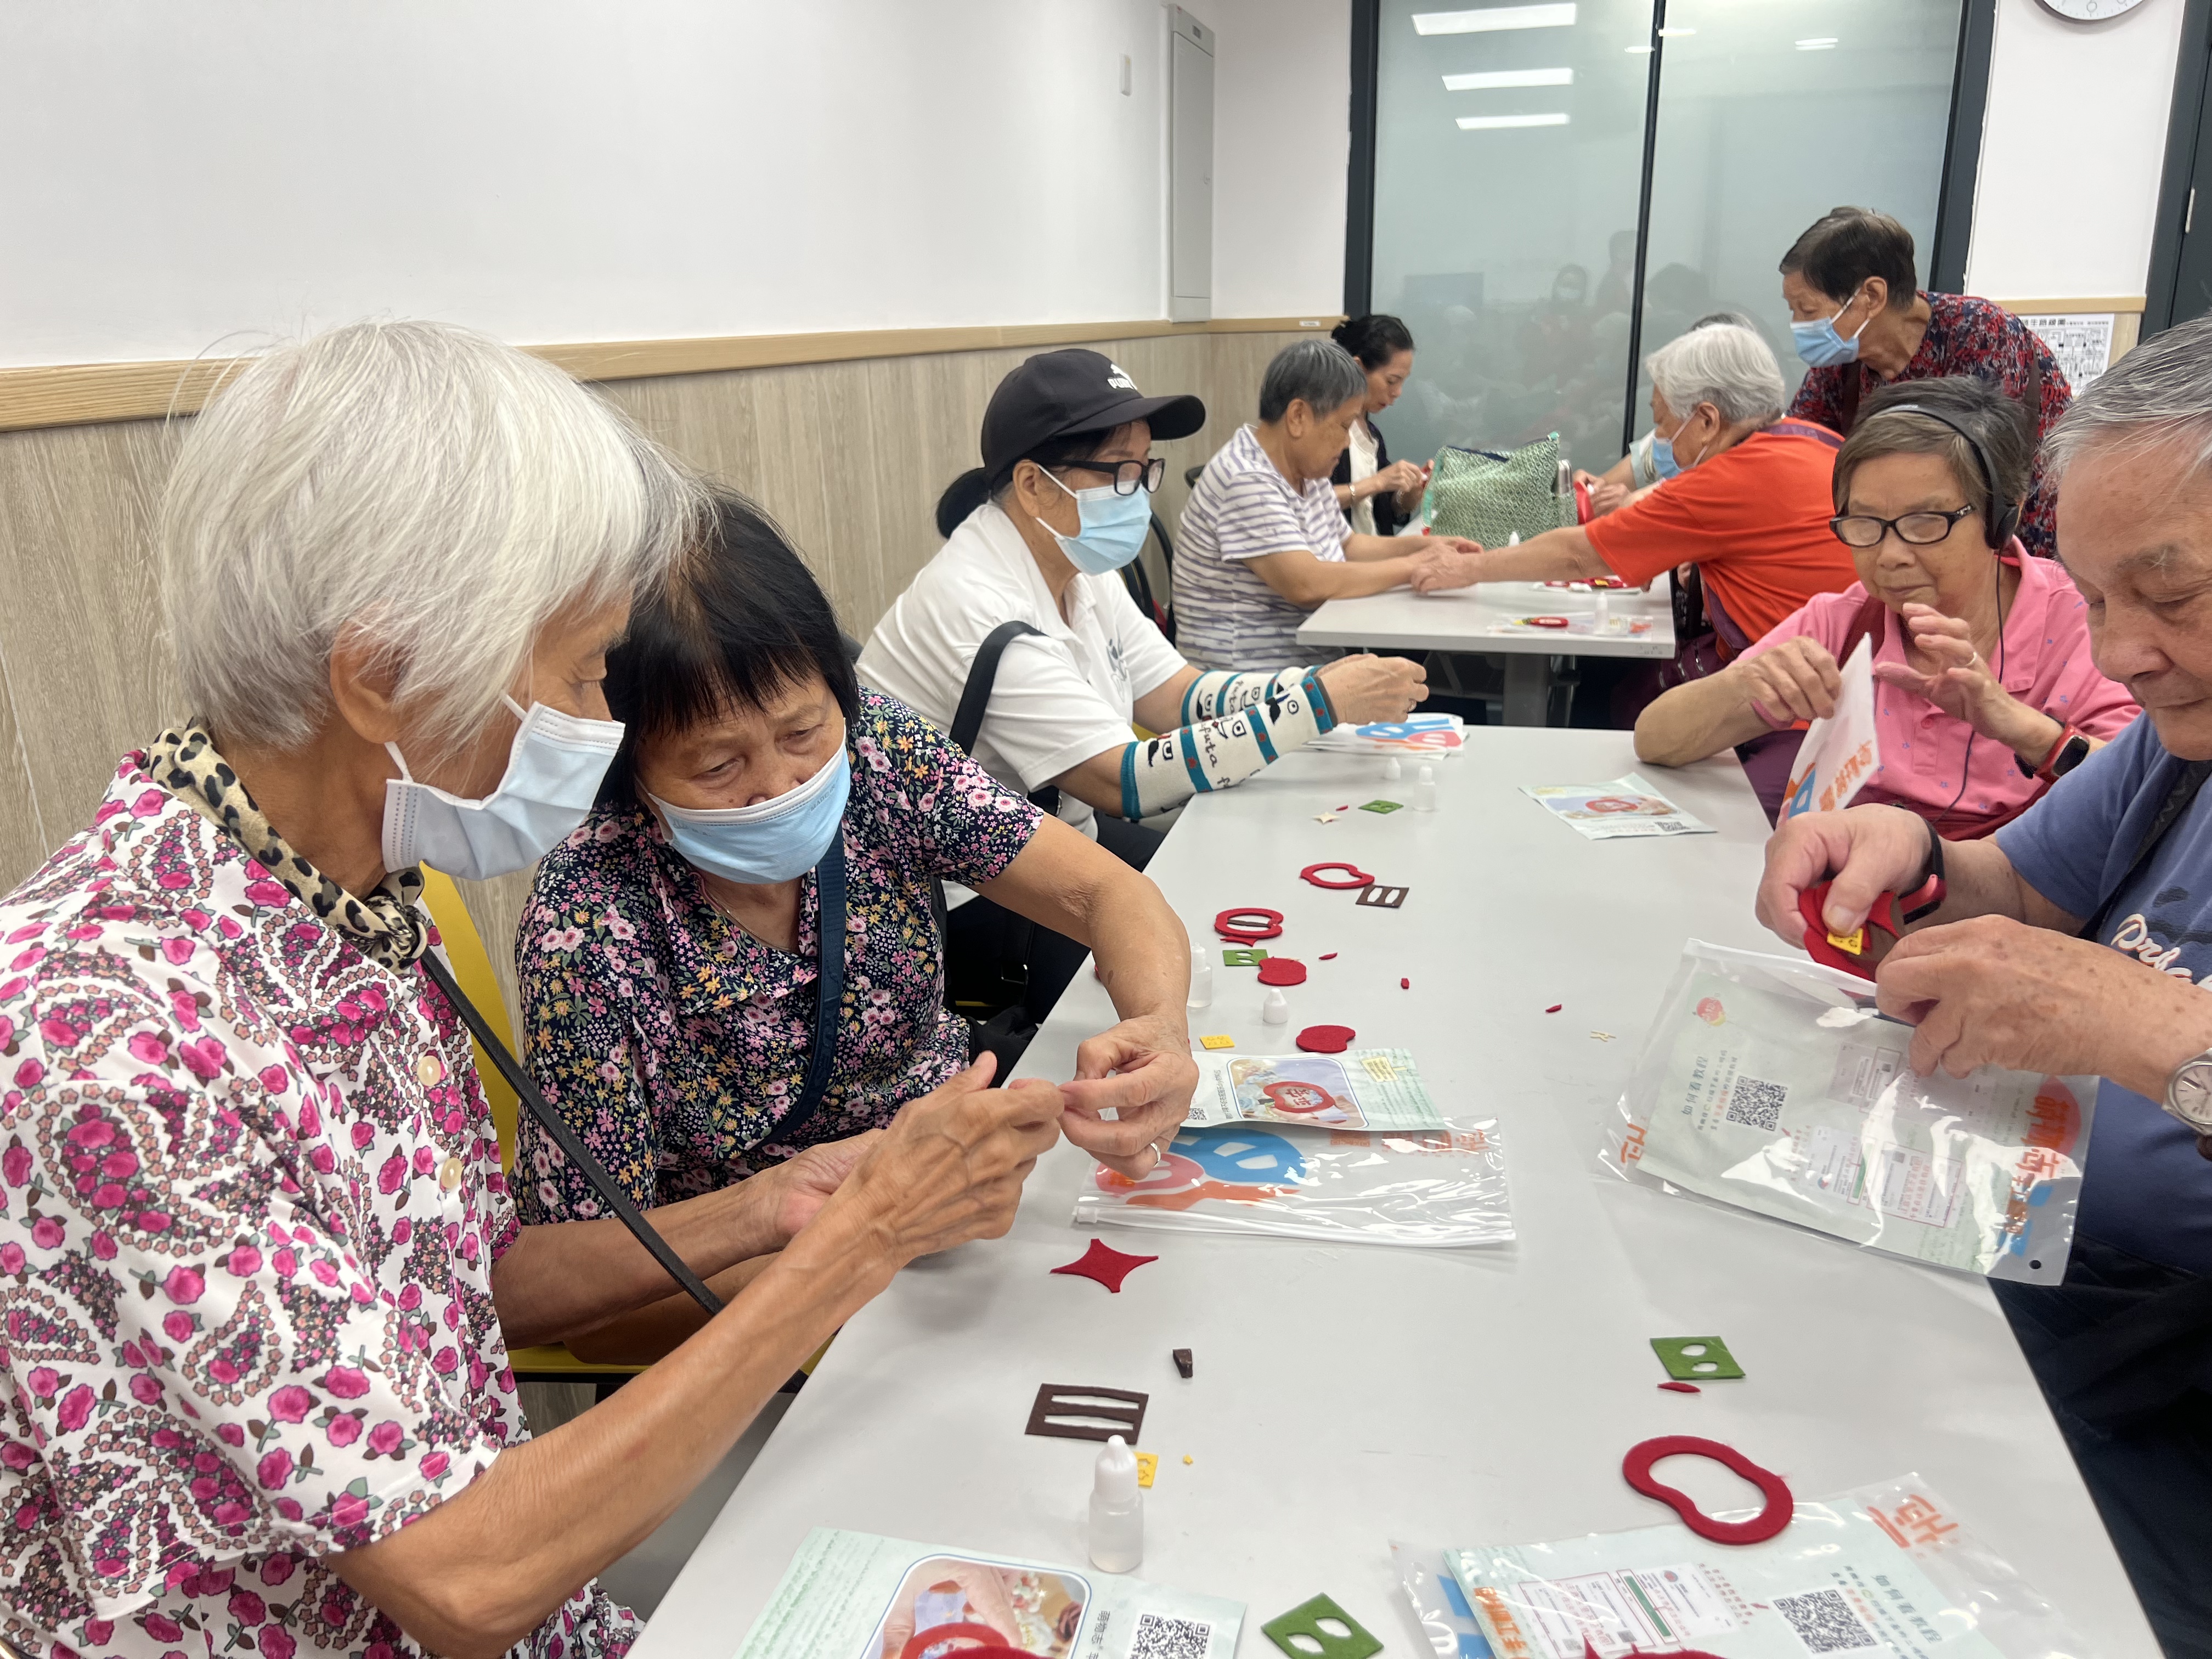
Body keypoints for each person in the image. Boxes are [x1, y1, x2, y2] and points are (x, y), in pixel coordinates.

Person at [0, 321, 1096, 1659]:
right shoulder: (109, 1041)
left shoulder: (344, 901)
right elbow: (463, 1580)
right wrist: (859, 1243)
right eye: (582, 674)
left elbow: (475, 1282)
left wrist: (775, 1208)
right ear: (384, 676)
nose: (599, 724)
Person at [1752, 313, 2212, 1655]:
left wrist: (2151, 1033)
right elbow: (2019, 886)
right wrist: (1913, 858)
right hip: (2018, 1264)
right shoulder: (2179, 742)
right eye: (2100, 599)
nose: (2119, 655)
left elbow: (2129, 1018)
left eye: (2172, 596)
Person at [517, 488, 1198, 1357]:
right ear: (627, 766)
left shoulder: (878, 755)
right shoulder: (590, 923)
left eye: (804, 732)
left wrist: (1159, 1028)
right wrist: (866, 1242)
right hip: (772, 1301)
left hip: (969, 1207)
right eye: (718, 767)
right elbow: (588, 1304)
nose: (779, 787)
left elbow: (1110, 896)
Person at [862, 349, 1436, 1014]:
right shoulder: (977, 606)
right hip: (958, 900)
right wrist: (1317, 705)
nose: (1139, 492)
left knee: (1226, 883)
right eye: (1121, 472)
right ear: (1034, 485)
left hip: (1052, 836)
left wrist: (1311, 684)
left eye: (1145, 468)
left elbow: (1177, 696)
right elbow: (1125, 782)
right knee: (1185, 969)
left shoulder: (1076, 566)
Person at [1634, 377, 2137, 833]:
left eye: (1925, 523)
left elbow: (2146, 792)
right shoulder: (1846, 622)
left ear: (2002, 517)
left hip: (2007, 896)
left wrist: (2016, 724)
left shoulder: (2081, 624)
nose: (1890, 555)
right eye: (1866, 524)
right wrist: (1743, 684)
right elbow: (1655, 740)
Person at [1410, 323, 1860, 653]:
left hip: (1797, 697)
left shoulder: (1723, 481)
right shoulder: (1815, 439)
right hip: (1846, 664)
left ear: (1707, 421)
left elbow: (1579, 555)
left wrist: (1470, 569)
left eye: (1663, 423)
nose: (1660, 438)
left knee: (1629, 707)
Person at [1173, 338, 1482, 670]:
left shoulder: (1307, 470)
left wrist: (1429, 546)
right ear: (1298, 417)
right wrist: (1416, 567)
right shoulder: (1246, 478)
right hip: (1251, 681)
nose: (1347, 442)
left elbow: (1349, 545)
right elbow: (1306, 584)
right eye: (1344, 426)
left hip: (1306, 665)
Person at [1781, 206, 2070, 558]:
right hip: (1906, 535)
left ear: (1872, 297)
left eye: (1807, 310)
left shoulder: (1980, 331)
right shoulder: (1845, 357)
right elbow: (1798, 445)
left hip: (2010, 543)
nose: (1797, 324)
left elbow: (1975, 463)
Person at [1574, 312, 1758, 515]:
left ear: (1709, 421)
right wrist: (1591, 490)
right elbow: (1606, 486)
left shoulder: (1752, 471)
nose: (1661, 435)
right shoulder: (1671, 436)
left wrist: (1635, 505)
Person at [1327, 314, 1431, 538]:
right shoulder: (1325, 427)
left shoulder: (1372, 435)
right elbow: (1308, 502)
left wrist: (1412, 491)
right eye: (1391, 381)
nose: (1397, 392)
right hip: (1340, 556)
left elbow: (1385, 507)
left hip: (1372, 552)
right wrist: (1378, 482)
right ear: (1357, 368)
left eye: (1402, 382)